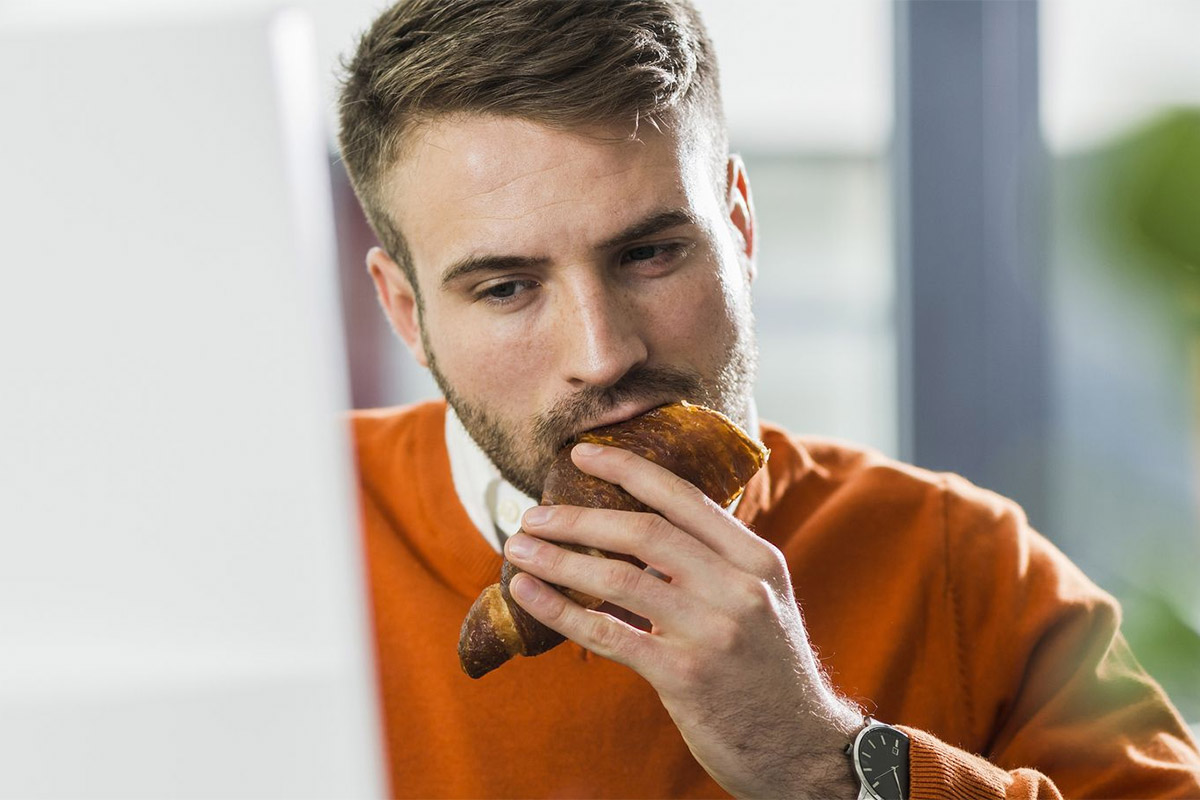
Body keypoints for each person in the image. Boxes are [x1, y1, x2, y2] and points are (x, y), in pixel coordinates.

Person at [336, 0, 1200, 797]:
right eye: (505, 289)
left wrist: (825, 760)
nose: (601, 355)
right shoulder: (283, 540)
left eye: (649, 255)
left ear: (740, 229)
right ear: (406, 312)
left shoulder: (969, 570)